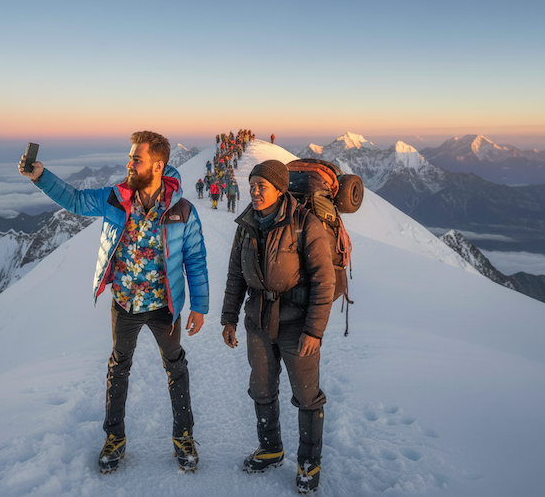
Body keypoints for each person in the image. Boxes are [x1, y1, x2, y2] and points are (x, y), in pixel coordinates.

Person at [19, 131, 209, 473]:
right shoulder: (115, 198)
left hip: (164, 307)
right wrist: (40, 177)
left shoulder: (182, 210)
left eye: (136, 159)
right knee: (118, 368)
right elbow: (76, 200)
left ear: (157, 165)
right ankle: (115, 438)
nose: (129, 164)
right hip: (124, 305)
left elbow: (195, 259)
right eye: (130, 157)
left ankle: (184, 437)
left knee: (175, 367)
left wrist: (199, 306)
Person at [220, 160, 334, 494]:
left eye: (262, 186)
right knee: (262, 389)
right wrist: (228, 319)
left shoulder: (305, 224)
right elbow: (235, 275)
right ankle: (271, 449)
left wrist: (314, 331)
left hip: (297, 324)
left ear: (280, 189)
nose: (254, 191)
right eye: (252, 185)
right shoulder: (246, 226)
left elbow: (324, 282)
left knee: (307, 395)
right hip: (257, 321)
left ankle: (308, 463)